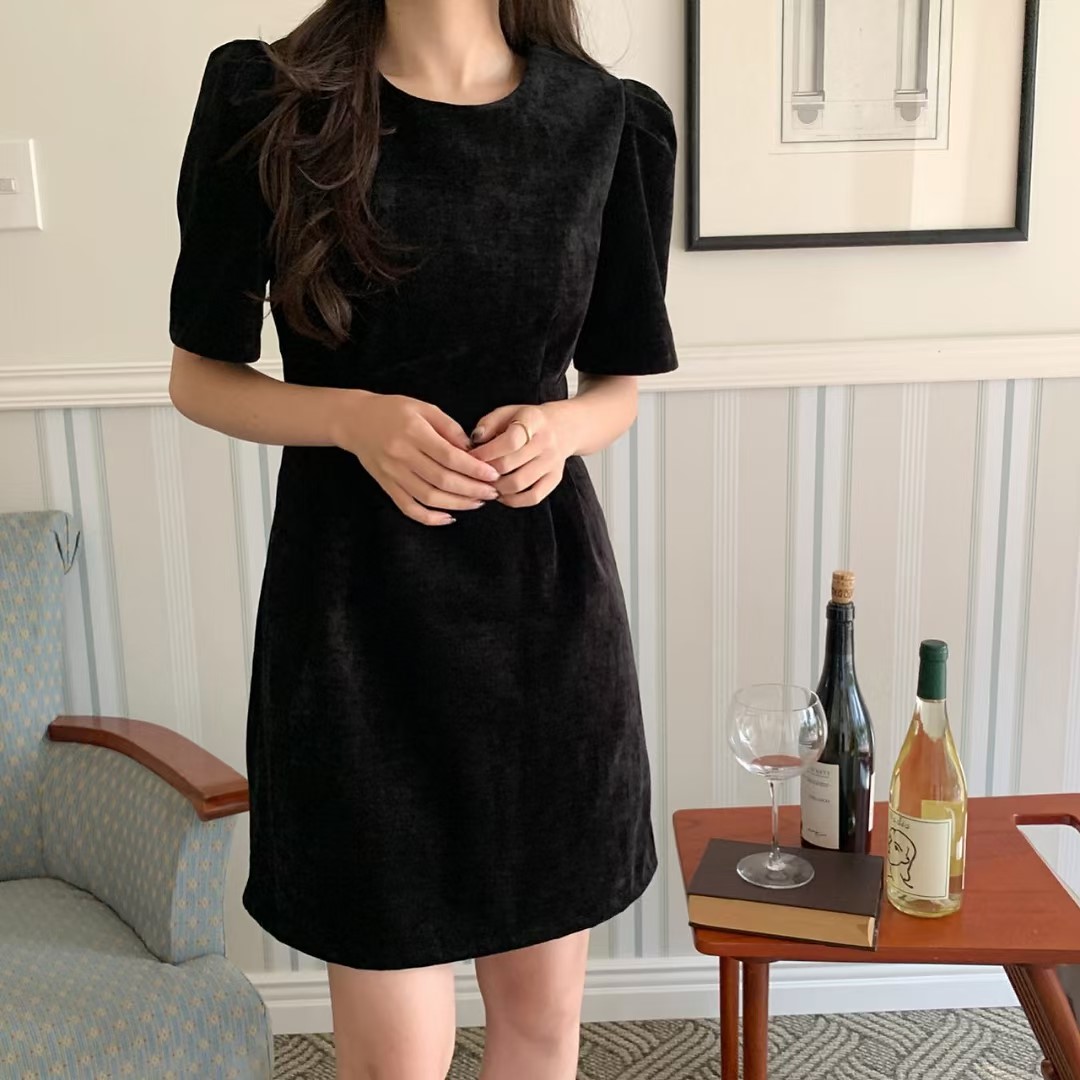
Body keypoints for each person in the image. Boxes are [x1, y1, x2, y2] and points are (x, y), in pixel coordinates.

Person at [167, 0, 678, 1076]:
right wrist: (354, 419)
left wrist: (561, 429)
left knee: (540, 1023)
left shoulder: (605, 120)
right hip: (353, 627)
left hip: (543, 624)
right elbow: (199, 377)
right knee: (396, 1056)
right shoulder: (271, 102)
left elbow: (618, 384)